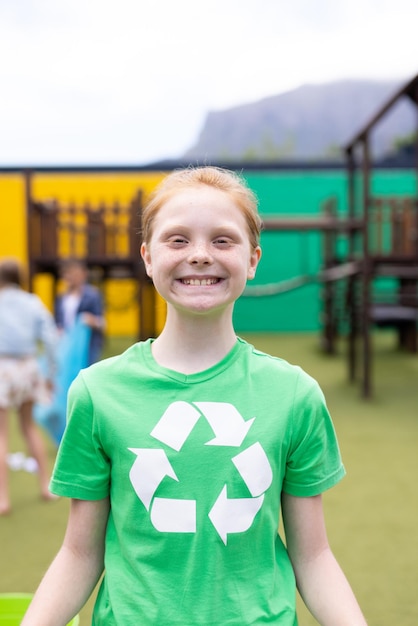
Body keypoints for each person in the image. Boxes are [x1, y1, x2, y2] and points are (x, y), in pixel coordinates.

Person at [22, 167, 367, 625]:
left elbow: (315, 555)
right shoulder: (97, 391)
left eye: (223, 240)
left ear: (253, 259)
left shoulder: (294, 394)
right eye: (178, 240)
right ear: (147, 257)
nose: (200, 255)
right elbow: (80, 552)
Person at [0, 257, 58, 516]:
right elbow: (50, 338)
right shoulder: (32, 302)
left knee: (1, 435)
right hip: (28, 366)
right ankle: (46, 486)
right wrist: (52, 373)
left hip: (3, 367)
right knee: (29, 426)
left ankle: (3, 499)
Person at [54, 258, 105, 365]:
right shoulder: (62, 298)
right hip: (66, 344)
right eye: (68, 274)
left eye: (74, 274)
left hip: (86, 345)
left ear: (83, 274)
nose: (71, 277)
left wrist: (89, 320)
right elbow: (58, 322)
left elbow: (102, 322)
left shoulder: (92, 295)